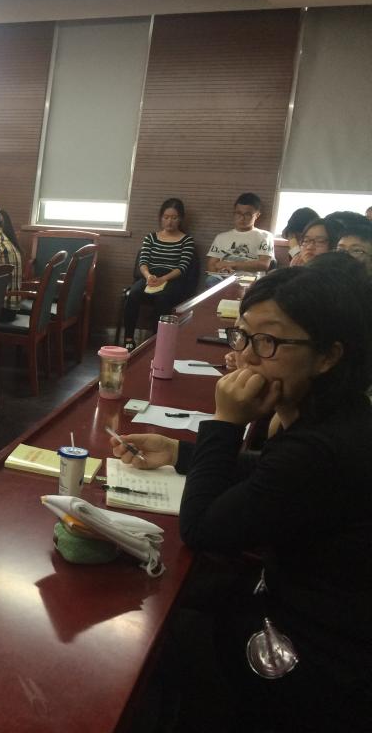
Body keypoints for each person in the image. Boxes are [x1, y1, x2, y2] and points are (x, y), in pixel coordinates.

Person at [111, 266, 372, 731]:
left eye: (268, 342)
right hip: (303, 606)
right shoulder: (340, 413)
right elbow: (270, 477)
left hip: (316, 660)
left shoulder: (319, 449)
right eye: (243, 336)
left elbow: (201, 529)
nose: (245, 357)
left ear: (328, 355)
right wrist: (181, 452)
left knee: (149, 631)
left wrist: (225, 423)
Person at [122, 198, 196, 349]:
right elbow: (143, 262)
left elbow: (182, 267)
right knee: (133, 294)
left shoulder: (187, 240)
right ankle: (128, 339)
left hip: (172, 278)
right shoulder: (150, 237)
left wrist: (164, 279)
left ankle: (156, 340)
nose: (169, 221)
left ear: (180, 219)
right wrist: (148, 276)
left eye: (174, 218)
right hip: (150, 276)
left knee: (163, 298)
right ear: (161, 218)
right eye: (166, 217)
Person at [204, 192, 274, 287]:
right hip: (224, 278)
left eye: (247, 214)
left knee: (241, 286)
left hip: (250, 279)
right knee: (211, 280)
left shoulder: (265, 236)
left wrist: (233, 264)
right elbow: (212, 265)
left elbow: (264, 264)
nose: (242, 218)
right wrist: (222, 270)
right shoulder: (221, 237)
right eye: (238, 213)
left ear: (257, 215)